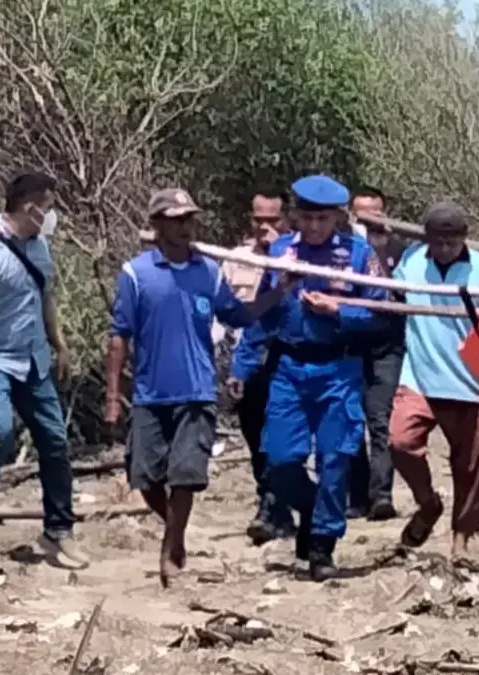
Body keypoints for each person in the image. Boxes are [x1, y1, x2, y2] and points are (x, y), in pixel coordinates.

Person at [105, 188, 287, 586]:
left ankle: (170, 549)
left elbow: (238, 315)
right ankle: (176, 531)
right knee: (146, 478)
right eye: (176, 219)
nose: (185, 226)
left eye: (189, 219)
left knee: (186, 474)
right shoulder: (136, 274)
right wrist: (113, 394)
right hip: (151, 393)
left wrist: (279, 291)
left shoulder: (208, 272)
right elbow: (119, 335)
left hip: (198, 389)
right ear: (157, 225)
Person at [0, 171, 88, 569]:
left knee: (55, 440)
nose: (51, 215)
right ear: (30, 208)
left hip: (33, 360)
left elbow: (45, 298)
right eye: (47, 207)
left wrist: (58, 344)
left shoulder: (40, 247)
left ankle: (58, 529)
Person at [260, 174, 387, 581]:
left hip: (339, 368)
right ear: (296, 217)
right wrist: (281, 288)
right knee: (278, 460)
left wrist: (340, 311)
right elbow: (263, 313)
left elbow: (383, 314)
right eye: (307, 218)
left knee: (336, 458)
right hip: (290, 368)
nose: (314, 227)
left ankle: (321, 548)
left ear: (337, 218)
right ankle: (314, 510)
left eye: (323, 219)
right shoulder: (281, 251)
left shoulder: (359, 255)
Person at [389, 201, 479, 560]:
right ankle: (427, 503)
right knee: (399, 441)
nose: (442, 250)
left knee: (469, 463)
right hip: (419, 375)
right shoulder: (411, 261)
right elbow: (389, 292)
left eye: (450, 243)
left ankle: (461, 539)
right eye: (436, 243)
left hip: (469, 382)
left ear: (464, 240)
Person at [226, 188, 297, 544]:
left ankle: (274, 508)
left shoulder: (298, 255)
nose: (265, 227)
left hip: (288, 363)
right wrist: (233, 365)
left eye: (273, 220)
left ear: (286, 220)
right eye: (259, 219)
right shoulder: (235, 259)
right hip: (249, 360)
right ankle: (274, 507)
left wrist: (278, 253)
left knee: (279, 440)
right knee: (256, 440)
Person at [344, 186, 407, 521]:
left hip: (389, 348)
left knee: (380, 421)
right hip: (351, 347)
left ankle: (381, 495)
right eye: (361, 212)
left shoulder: (403, 251)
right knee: (352, 421)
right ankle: (357, 497)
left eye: (374, 212)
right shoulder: (346, 250)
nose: (368, 219)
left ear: (385, 213)